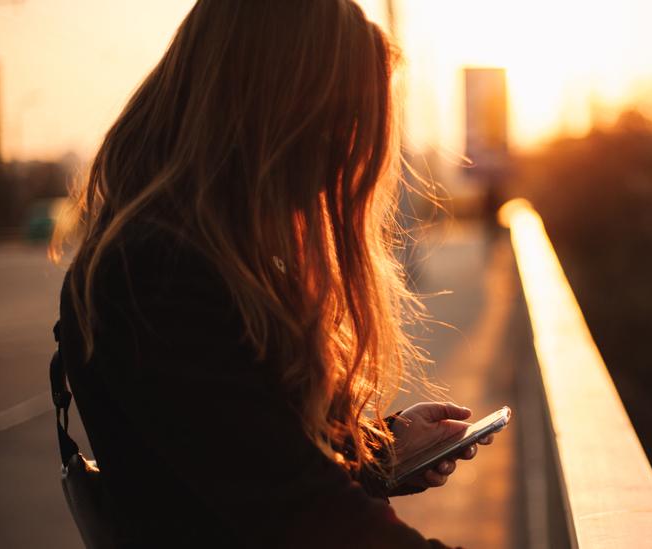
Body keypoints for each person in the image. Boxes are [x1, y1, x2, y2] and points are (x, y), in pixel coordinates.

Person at [51, 1, 496, 546]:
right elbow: (297, 514)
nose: (347, 158)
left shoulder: (207, 257)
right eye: (343, 124)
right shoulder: (155, 276)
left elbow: (243, 459)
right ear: (279, 113)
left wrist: (381, 448)